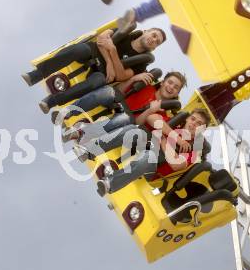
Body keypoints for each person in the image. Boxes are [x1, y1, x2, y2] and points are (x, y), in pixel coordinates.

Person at [22, 27, 166, 113]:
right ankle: (36, 75)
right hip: (92, 52)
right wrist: (110, 61)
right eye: (154, 35)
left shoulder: (141, 64)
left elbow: (122, 76)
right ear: (146, 31)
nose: (154, 40)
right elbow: (102, 38)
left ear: (154, 48)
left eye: (157, 42)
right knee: (79, 49)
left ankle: (51, 101)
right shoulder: (125, 32)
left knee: (97, 82)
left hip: (102, 73)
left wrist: (112, 50)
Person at [59, 72, 188, 150]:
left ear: (177, 93)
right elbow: (118, 91)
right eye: (170, 82)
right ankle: (67, 112)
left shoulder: (162, 114)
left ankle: (80, 133)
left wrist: (150, 111)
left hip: (125, 121)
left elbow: (137, 122)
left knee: (126, 118)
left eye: (176, 87)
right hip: (117, 102)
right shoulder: (145, 85)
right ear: (162, 82)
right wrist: (133, 79)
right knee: (108, 91)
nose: (171, 87)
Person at [96, 109, 210, 196]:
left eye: (199, 124)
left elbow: (175, 164)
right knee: (133, 129)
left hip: (150, 170)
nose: (194, 123)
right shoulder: (174, 124)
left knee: (149, 156)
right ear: (187, 119)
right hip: (140, 149)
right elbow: (152, 118)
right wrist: (176, 138)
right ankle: (92, 149)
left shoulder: (194, 150)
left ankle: (109, 183)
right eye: (193, 119)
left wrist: (163, 139)